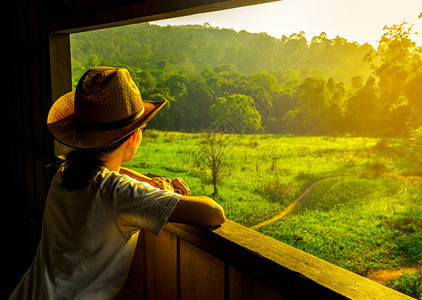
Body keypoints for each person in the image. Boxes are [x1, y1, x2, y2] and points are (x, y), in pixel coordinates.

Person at [10, 67, 225, 299]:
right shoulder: (119, 194)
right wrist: (167, 192)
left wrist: (148, 182)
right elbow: (213, 212)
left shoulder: (67, 171)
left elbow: (113, 172)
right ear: (133, 136)